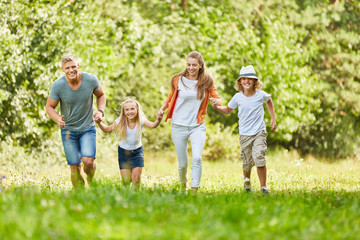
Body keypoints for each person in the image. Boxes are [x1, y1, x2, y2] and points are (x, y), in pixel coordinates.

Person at [157, 51, 221, 193]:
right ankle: (183, 185)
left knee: (197, 158)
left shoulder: (207, 81)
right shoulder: (178, 79)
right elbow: (170, 98)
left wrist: (217, 102)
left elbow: (217, 97)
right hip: (178, 125)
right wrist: (161, 110)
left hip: (197, 126)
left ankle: (194, 190)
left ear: (200, 66)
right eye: (189, 64)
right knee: (183, 164)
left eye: (194, 65)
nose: (191, 67)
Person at [46, 54, 106, 189]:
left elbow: (101, 95)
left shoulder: (90, 80)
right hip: (68, 131)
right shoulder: (58, 85)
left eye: (73, 66)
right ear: (62, 69)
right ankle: (79, 196)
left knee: (88, 162)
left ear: (78, 66)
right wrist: (57, 119)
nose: (71, 70)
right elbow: (49, 106)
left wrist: (100, 111)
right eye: (67, 68)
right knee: (75, 167)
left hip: (87, 128)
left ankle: (91, 179)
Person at [213, 65, 276, 194]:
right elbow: (228, 110)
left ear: (255, 82)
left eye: (250, 79)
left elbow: (269, 101)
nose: (247, 81)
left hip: (259, 132)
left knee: (259, 156)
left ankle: (263, 187)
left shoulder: (260, 95)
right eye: (244, 79)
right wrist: (217, 107)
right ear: (240, 82)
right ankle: (247, 186)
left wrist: (273, 119)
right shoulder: (237, 97)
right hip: (245, 134)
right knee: (247, 163)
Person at [95, 98, 162, 189]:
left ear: (137, 110)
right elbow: (107, 130)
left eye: (132, 109)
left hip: (137, 152)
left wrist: (158, 120)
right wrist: (99, 123)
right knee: (126, 182)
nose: (130, 112)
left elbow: (153, 125)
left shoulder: (141, 120)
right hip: (124, 153)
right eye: (127, 109)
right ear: (123, 112)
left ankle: (135, 200)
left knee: (136, 180)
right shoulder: (120, 121)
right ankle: (126, 199)